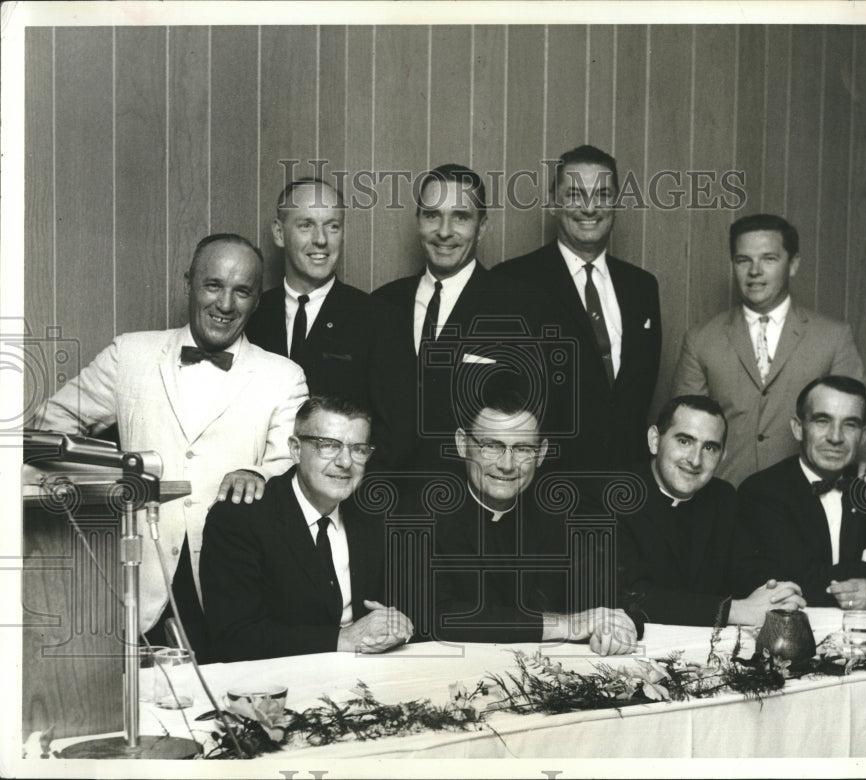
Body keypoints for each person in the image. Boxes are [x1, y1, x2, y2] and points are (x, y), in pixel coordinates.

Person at [34, 234, 308, 652]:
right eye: (213, 285)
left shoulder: (284, 376)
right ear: (189, 284)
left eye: (242, 291)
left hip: (232, 587)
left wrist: (256, 473)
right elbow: (48, 426)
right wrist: (107, 480)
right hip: (135, 581)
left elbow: (292, 463)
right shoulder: (129, 354)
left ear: (256, 301)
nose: (225, 304)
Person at [405, 380, 638, 654]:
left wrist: (617, 625)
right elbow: (434, 617)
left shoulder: (557, 519)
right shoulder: (419, 516)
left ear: (541, 454)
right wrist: (566, 625)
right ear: (462, 444)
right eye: (492, 446)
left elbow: (616, 602)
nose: (507, 465)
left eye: (523, 449)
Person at [672, 213, 866, 488]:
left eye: (768, 259)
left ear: (793, 264)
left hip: (803, 497)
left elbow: (861, 417)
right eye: (743, 260)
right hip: (726, 495)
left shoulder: (833, 337)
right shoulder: (701, 339)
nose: (754, 271)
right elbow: (683, 429)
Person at [201, 396, 413, 661]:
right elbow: (235, 638)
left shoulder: (376, 514)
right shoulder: (240, 518)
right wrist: (342, 639)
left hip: (367, 671)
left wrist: (397, 624)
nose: (345, 462)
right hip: (275, 678)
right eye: (329, 446)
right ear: (295, 449)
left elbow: (408, 606)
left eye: (358, 449)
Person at [492, 144, 662, 468]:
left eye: (602, 195)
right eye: (574, 194)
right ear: (553, 203)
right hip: (544, 479)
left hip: (627, 477)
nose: (589, 208)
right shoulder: (511, 281)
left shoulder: (642, 288)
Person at [373, 163, 540, 469]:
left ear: (482, 227)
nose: (444, 231)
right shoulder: (382, 303)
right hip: (382, 488)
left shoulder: (519, 308)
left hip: (470, 491)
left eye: (461, 217)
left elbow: (529, 420)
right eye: (432, 215)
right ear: (418, 221)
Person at [245, 178, 412, 468]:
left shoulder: (379, 319)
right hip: (262, 487)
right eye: (306, 225)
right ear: (279, 233)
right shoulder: (252, 314)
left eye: (332, 226)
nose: (321, 239)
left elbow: (397, 436)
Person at [735, 376, 866, 609]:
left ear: (863, 436)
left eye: (850, 424)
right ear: (798, 428)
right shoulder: (763, 491)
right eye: (822, 421)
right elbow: (797, 581)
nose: (836, 437)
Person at [616, 395, 805, 627]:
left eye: (709, 447)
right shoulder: (610, 496)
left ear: (722, 456)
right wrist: (733, 611)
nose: (695, 460)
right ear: (655, 440)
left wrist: (773, 594)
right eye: (684, 441)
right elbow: (629, 596)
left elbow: (746, 568)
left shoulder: (723, 497)